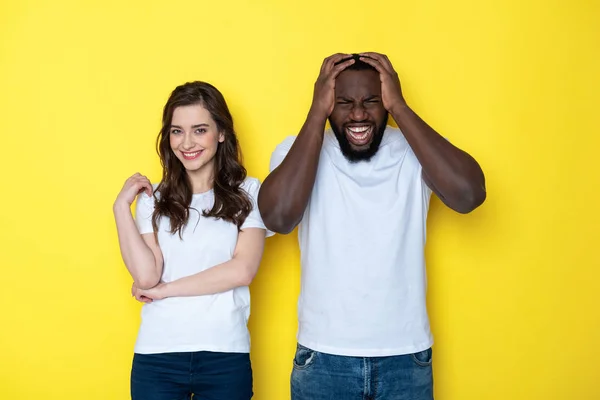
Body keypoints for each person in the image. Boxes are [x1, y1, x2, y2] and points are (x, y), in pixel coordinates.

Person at [258, 52, 486, 400]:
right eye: (344, 102)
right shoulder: (296, 150)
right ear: (327, 103)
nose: (359, 114)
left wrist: (402, 109)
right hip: (323, 357)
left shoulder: (414, 152)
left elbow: (469, 195)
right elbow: (278, 218)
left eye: (372, 101)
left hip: (405, 358)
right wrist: (315, 113)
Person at [113, 81, 271, 400]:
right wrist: (120, 208)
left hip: (224, 354)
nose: (187, 143)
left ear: (221, 133)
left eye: (200, 130)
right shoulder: (151, 200)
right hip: (157, 355)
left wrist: (166, 290)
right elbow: (146, 276)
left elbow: (242, 271)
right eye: (176, 131)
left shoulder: (249, 192)